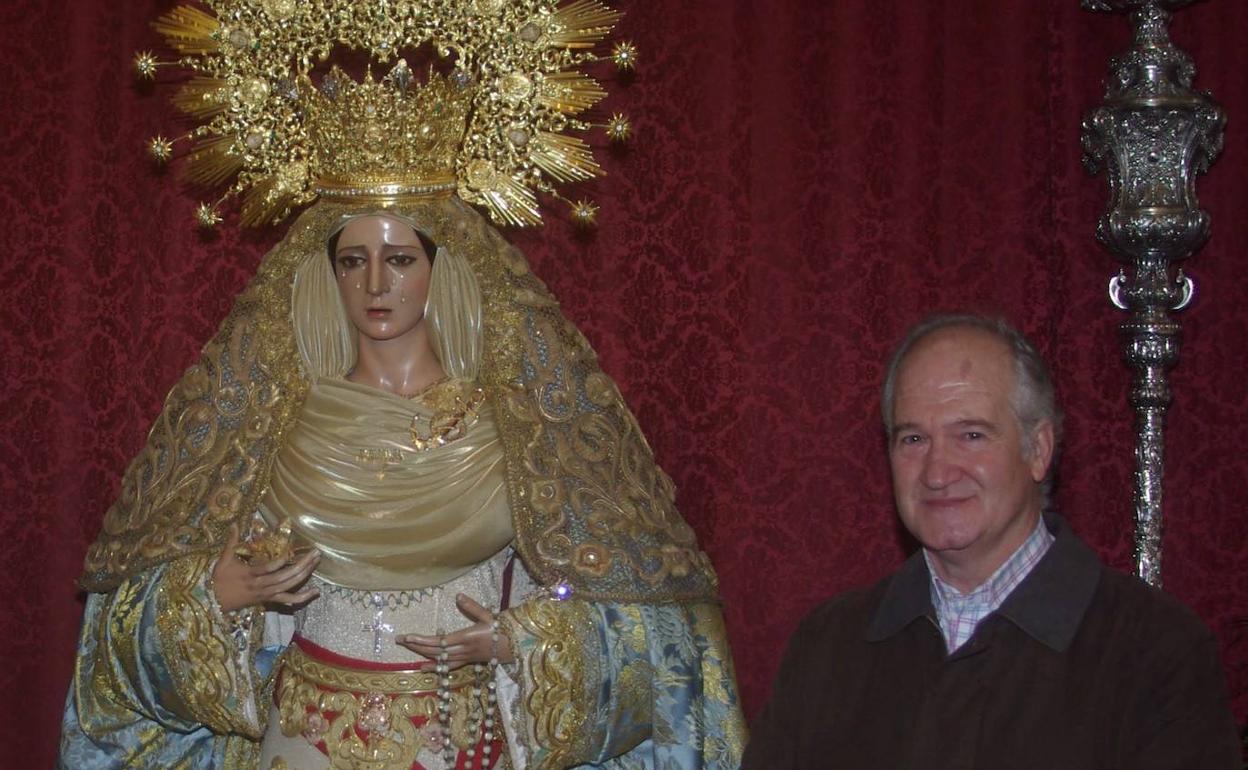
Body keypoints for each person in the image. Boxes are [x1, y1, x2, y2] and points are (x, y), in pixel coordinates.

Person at [57, 5, 744, 769]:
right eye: (353, 262)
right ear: (328, 275)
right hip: (302, 743)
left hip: (462, 740)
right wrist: (213, 595)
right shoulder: (276, 429)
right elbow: (122, 637)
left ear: (440, 270)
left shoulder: (510, 428)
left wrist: (529, 635)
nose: (376, 284)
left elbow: (649, 627)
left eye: (401, 260)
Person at [742, 314, 1240, 769]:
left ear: (1038, 449)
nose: (937, 473)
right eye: (913, 439)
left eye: (972, 436)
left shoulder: (1153, 649)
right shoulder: (829, 646)